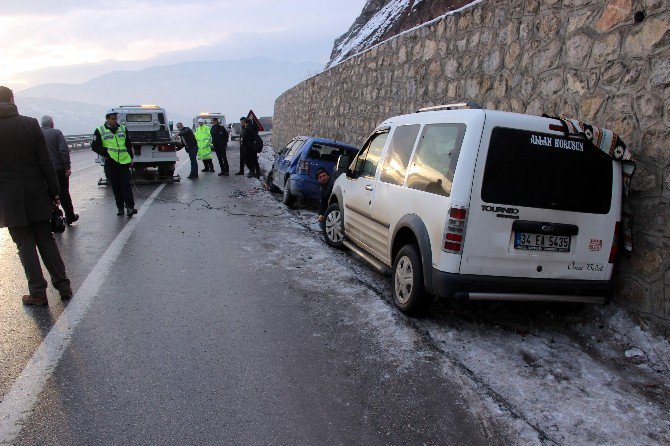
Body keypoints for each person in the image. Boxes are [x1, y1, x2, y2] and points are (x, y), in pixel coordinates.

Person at [0, 86, 72, 306]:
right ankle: (64, 286)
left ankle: (38, 293)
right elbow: (46, 162)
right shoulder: (30, 124)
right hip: (36, 193)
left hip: (9, 197)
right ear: (12, 99)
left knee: (24, 244)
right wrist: (55, 193)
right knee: (45, 239)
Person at [91, 109, 137, 217]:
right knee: (116, 186)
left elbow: (128, 144)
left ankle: (130, 207)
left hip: (123, 161)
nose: (115, 121)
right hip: (111, 162)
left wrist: (130, 157)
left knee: (126, 184)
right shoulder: (100, 130)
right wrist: (106, 152)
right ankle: (120, 207)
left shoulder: (122, 128)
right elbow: (94, 146)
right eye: (113, 119)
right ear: (107, 119)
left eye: (116, 118)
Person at [41, 115, 79, 225]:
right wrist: (67, 167)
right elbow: (63, 151)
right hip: (58, 169)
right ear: (52, 124)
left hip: (42, 171)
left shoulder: (36, 133)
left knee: (46, 195)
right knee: (64, 194)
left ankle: (50, 219)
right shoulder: (56, 133)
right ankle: (70, 216)